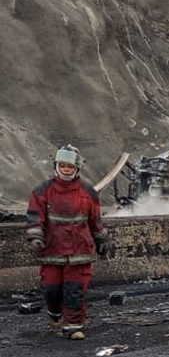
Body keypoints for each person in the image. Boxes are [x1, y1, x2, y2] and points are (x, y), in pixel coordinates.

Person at [25, 144, 108, 340]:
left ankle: (73, 326)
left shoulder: (88, 191)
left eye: (70, 167)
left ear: (77, 168)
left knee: (75, 290)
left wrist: (102, 240)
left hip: (80, 250)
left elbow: (95, 220)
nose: (66, 170)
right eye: (63, 166)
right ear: (56, 165)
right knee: (52, 289)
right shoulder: (42, 190)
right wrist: (36, 237)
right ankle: (55, 314)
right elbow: (35, 216)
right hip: (53, 250)